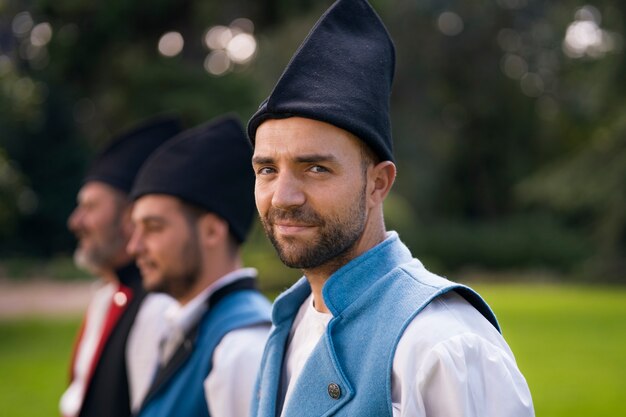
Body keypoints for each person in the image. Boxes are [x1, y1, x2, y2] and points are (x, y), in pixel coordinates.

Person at [246, 0, 535, 416]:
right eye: (268, 169)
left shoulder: (445, 344)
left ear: (377, 183)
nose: (283, 197)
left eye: (315, 168)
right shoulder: (286, 324)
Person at [126, 115, 272, 417]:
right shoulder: (182, 325)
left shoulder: (242, 349)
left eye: (153, 227)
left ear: (211, 231)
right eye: (135, 228)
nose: (134, 247)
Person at [61, 115, 182, 417]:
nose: (75, 221)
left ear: (130, 217)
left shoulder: (157, 309)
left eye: (90, 206)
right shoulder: (107, 296)